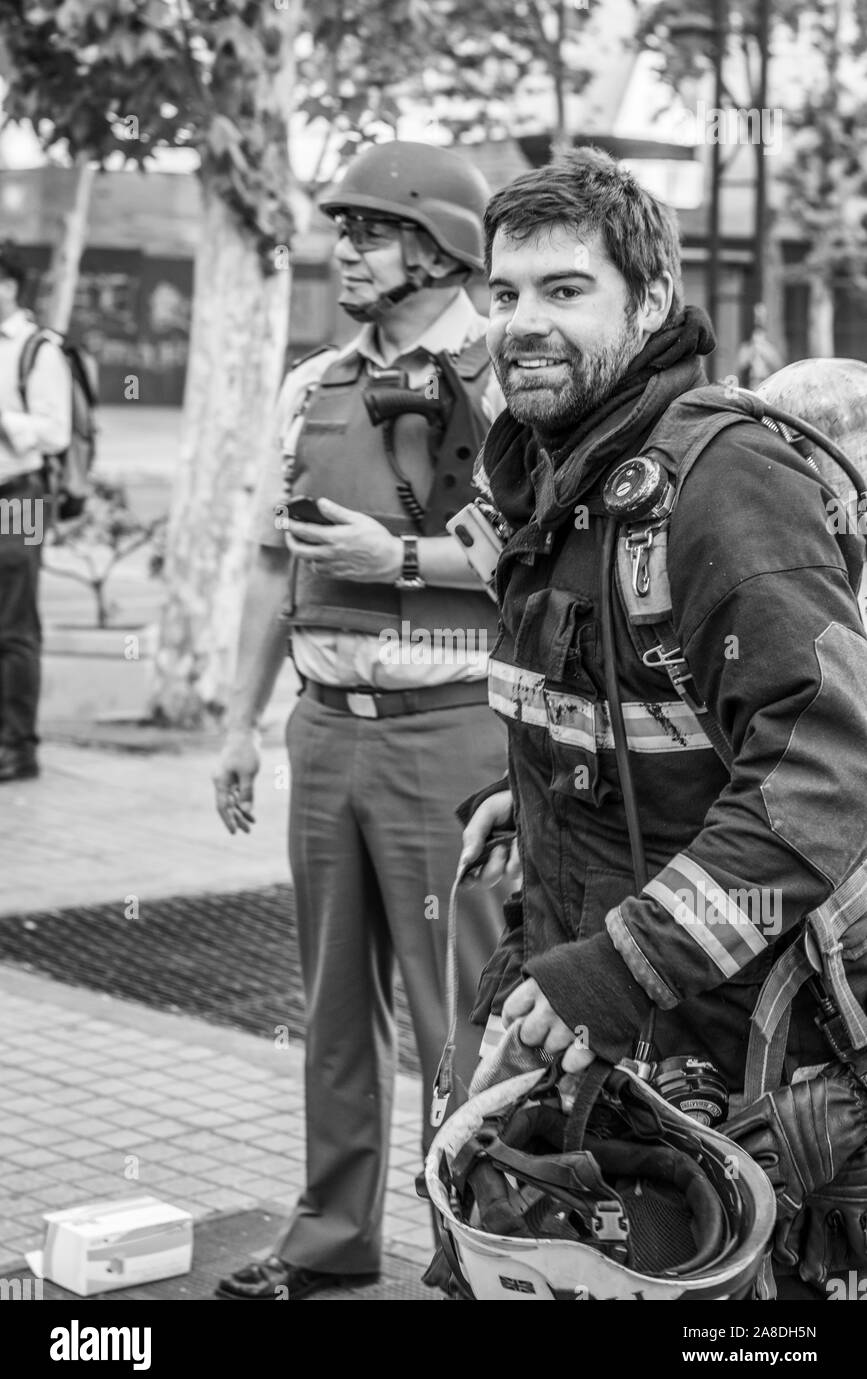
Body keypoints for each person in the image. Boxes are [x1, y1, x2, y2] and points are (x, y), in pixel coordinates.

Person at [460, 148, 867, 1297]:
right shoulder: (564, 478)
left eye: (564, 290)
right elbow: (645, 708)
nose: (521, 323)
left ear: (648, 302)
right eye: (504, 292)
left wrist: (616, 970)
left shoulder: (719, 482)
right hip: (591, 1016)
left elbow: (824, 779)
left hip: (725, 1060)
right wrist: (534, 784)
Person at [213, 141, 508, 1300]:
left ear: (440, 247)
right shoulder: (314, 383)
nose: (344, 246)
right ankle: (331, 1239)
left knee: (457, 1018)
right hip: (324, 724)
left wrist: (403, 556)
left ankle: (469, 1250)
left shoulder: (501, 371)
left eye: (372, 229)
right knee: (332, 1003)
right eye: (339, 227)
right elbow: (261, 565)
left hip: (454, 732)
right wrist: (239, 726)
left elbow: (534, 562)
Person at [0, 245, 71, 782]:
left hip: (18, 496)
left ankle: (19, 747)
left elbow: (55, 433)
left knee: (15, 621)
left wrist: (7, 420)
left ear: (8, 287)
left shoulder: (39, 350)